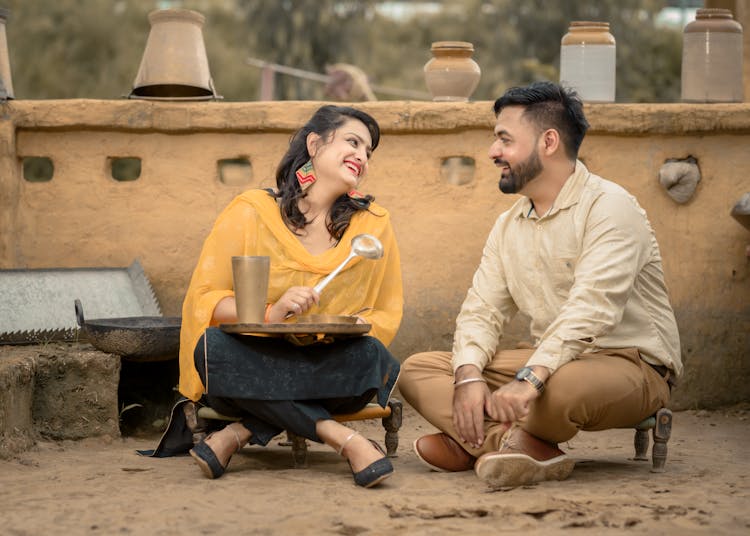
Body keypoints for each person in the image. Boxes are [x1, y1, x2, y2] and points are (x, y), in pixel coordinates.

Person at [398, 81, 681, 489]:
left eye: (504, 140)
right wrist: (468, 375)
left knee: (557, 389)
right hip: (548, 360)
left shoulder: (610, 206)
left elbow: (592, 308)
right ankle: (514, 445)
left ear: (548, 141)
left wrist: (530, 379)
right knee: (420, 369)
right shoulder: (509, 224)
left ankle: (474, 440)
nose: (493, 152)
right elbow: (483, 308)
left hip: (629, 364)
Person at [157, 105, 403, 489]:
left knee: (372, 357)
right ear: (315, 144)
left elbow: (384, 311)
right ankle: (347, 441)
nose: (362, 157)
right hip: (256, 358)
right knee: (213, 348)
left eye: (368, 152)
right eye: (352, 142)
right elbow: (206, 299)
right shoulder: (252, 212)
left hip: (326, 363)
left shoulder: (373, 225)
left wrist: (347, 325)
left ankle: (237, 433)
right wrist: (273, 313)